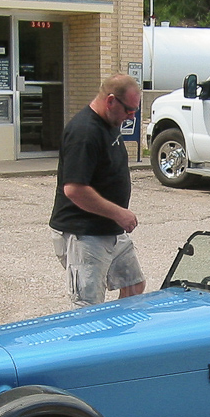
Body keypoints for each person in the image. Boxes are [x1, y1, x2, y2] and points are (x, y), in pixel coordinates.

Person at [49, 74, 146, 308]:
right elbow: (75, 189)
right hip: (84, 233)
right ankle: (90, 343)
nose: (132, 116)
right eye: (129, 110)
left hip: (110, 230)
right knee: (88, 306)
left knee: (134, 285)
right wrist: (119, 213)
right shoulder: (84, 132)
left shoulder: (110, 123)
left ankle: (119, 340)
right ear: (111, 101)